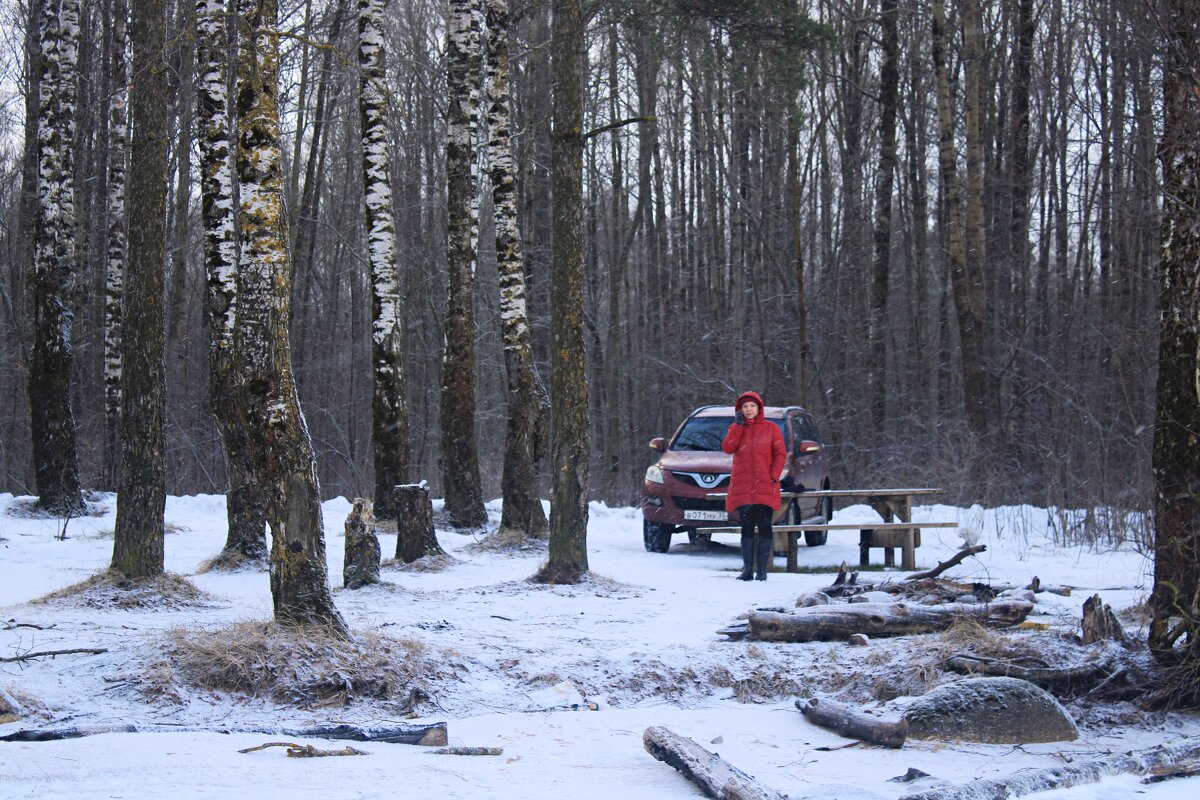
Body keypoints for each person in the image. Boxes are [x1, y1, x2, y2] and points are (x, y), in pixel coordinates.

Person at [722, 390, 786, 581]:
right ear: (740, 410)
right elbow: (727, 448)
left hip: (765, 484)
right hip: (743, 486)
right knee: (747, 526)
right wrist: (737, 428)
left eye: (752, 406)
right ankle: (748, 570)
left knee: (765, 525)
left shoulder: (771, 428)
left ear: (759, 408)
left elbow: (780, 453)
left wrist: (773, 475)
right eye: (745, 407)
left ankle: (763, 570)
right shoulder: (735, 428)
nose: (749, 410)